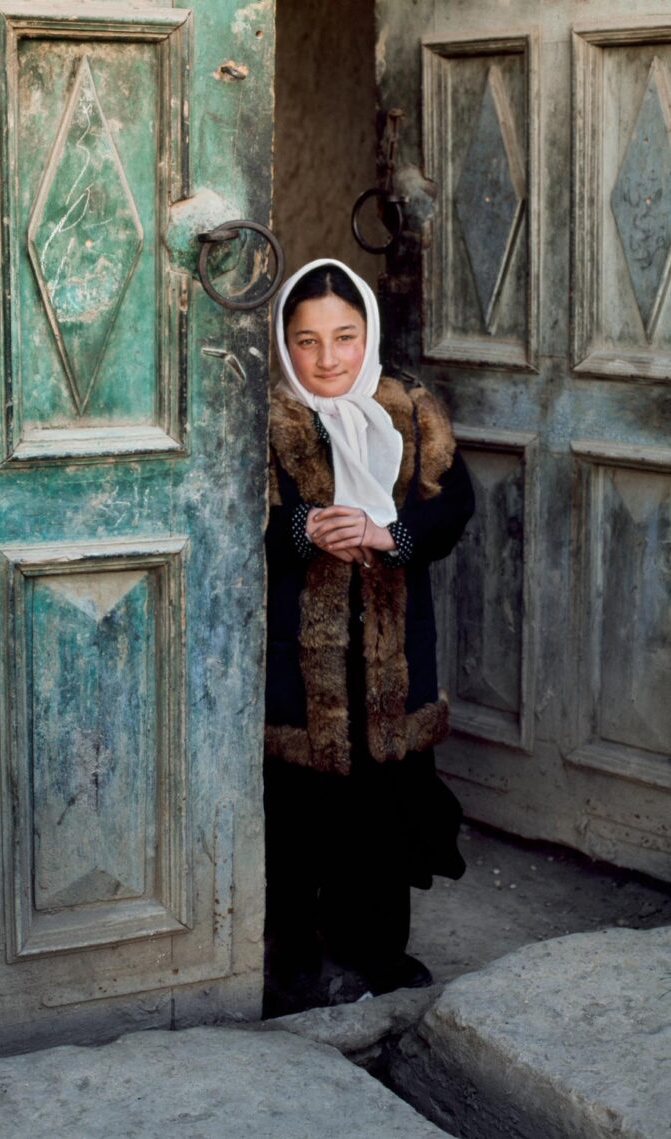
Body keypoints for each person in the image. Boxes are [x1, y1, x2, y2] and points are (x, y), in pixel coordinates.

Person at [263, 259, 475, 1015]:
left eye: (345, 337)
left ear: (368, 336)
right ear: (285, 344)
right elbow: (228, 522)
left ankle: (376, 946)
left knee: (383, 801)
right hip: (298, 659)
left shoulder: (409, 412)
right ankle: (289, 961)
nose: (328, 359)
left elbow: (453, 507)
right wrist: (303, 526)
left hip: (390, 652)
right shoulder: (265, 422)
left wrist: (391, 535)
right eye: (308, 340)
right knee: (296, 809)